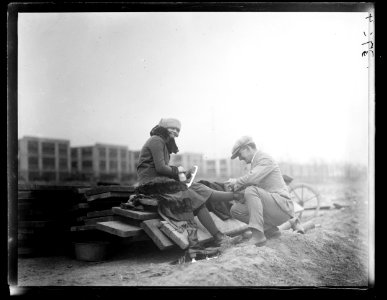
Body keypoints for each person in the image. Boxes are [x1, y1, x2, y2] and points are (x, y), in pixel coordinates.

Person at [136, 118, 242, 248]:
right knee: (193, 198)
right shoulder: (157, 140)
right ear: (163, 127)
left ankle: (237, 195)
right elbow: (160, 168)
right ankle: (219, 237)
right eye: (172, 128)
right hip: (151, 184)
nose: (175, 131)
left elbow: (163, 169)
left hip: (161, 181)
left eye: (177, 129)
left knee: (198, 187)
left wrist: (183, 174)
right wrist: (178, 170)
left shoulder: (162, 141)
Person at [225, 136, 297, 247]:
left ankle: (258, 236)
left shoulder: (264, 159)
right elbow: (255, 187)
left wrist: (237, 181)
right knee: (235, 210)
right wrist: (238, 192)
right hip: (273, 206)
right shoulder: (256, 162)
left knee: (251, 191)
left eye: (240, 154)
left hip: (283, 207)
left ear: (248, 148)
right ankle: (270, 230)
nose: (240, 159)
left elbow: (253, 179)